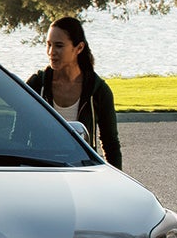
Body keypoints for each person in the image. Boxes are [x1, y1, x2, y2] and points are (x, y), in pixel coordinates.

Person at [26, 16, 121, 168]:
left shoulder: (98, 90)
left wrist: (116, 180)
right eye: (48, 45)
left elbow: (111, 144)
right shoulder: (36, 85)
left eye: (59, 46)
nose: (51, 52)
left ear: (79, 48)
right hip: (42, 169)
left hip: (82, 170)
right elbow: (17, 135)